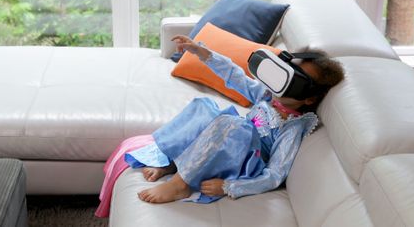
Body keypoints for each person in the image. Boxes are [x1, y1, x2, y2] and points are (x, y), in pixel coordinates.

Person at [125, 35, 345, 204]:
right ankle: (171, 162)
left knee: (235, 124)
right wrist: (202, 52)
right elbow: (234, 75)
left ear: (308, 99)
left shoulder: (292, 128)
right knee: (205, 108)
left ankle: (179, 184)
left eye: (294, 82)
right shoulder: (266, 95)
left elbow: (275, 174)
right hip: (226, 144)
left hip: (241, 165)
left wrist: (230, 186)